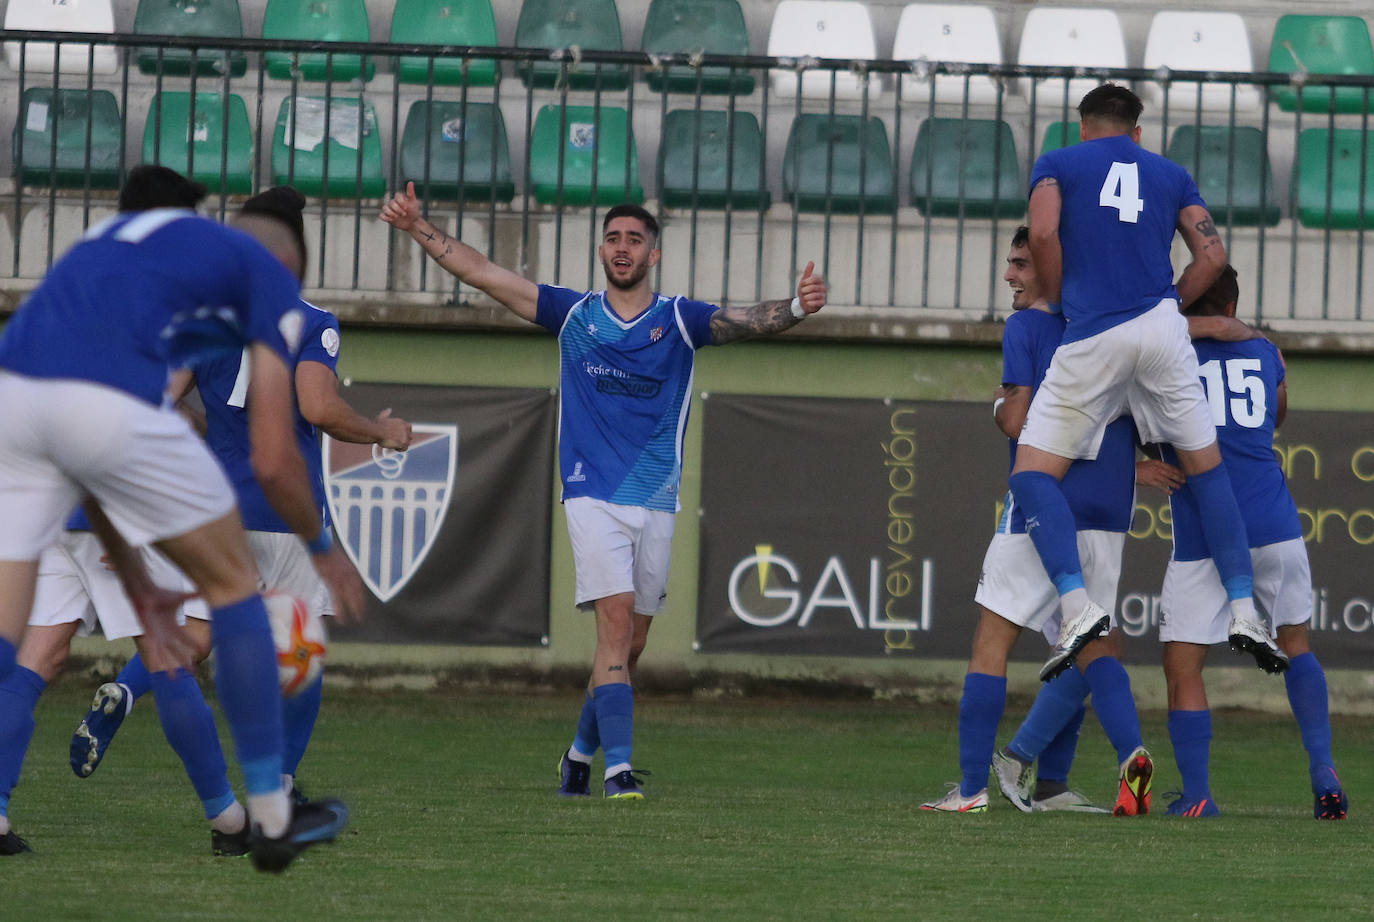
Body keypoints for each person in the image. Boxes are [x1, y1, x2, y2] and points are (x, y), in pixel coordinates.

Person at [381, 183, 827, 799]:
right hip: (590, 494)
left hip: (656, 497)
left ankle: (578, 756)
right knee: (614, 630)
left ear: (654, 255)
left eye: (635, 240)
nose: (623, 248)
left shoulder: (678, 319)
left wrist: (798, 308)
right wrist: (417, 228)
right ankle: (619, 773)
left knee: (632, 645)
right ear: (600, 250)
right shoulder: (573, 313)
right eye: (614, 238)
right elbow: (482, 272)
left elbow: (747, 321)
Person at [0, 165, 361, 871]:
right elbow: (273, 457)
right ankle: (266, 815)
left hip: (17, 413)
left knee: (21, 647)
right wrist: (321, 542)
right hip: (100, 429)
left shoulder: (91, 253)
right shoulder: (247, 279)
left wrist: (123, 542)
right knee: (228, 600)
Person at [68, 187, 414, 806]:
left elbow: (163, 398)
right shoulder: (311, 320)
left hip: (219, 510)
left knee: (199, 637)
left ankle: (126, 688)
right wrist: (383, 431)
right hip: (286, 512)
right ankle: (277, 789)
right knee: (303, 653)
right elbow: (317, 406)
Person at [1011, 86, 1282, 718]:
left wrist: (1055, 291)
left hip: (1095, 332)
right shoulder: (1171, 172)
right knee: (1207, 470)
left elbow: (1045, 228)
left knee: (1030, 474)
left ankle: (1077, 606)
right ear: (1136, 130)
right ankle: (1245, 610)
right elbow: (1212, 254)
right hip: (1163, 329)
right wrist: (1168, 300)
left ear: (1083, 126)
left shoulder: (1060, 161)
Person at [921, 226, 1172, 816]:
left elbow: (1019, 422)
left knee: (992, 642)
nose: (1009, 275)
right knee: (1093, 647)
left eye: (1020, 264)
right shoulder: (1117, 331)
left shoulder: (1028, 326)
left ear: (1051, 268)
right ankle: (1100, 766)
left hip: (1043, 505)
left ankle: (970, 790)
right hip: (1109, 509)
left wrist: (998, 403)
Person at [1158, 266, 1347, 820]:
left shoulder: (1165, 354)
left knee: (1184, 665)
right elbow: (1276, 414)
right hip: (1275, 523)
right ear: (1235, 303)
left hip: (1204, 534)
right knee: (1297, 644)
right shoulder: (1266, 353)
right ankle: (1322, 768)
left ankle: (1198, 797)